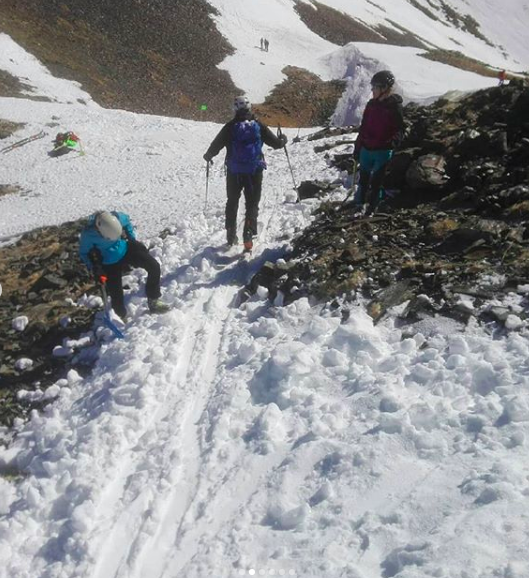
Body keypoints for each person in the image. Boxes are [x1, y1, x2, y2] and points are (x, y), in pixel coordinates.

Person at [203, 95, 287, 251]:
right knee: (252, 203)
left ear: (235, 109)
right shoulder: (258, 125)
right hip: (254, 171)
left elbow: (216, 144)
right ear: (249, 107)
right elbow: (276, 144)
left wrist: (208, 155)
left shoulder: (230, 127)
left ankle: (230, 233)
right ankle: (248, 232)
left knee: (232, 201)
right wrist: (283, 139)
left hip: (234, 171)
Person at [79, 211, 169, 320]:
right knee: (116, 293)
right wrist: (93, 267)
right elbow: (84, 253)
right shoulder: (88, 234)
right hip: (109, 262)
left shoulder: (116, 218)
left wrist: (132, 239)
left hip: (125, 249)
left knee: (154, 266)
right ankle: (120, 317)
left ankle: (153, 300)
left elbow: (127, 221)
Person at [353, 70, 404, 215]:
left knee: (377, 182)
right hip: (366, 149)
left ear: (384, 88)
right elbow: (363, 128)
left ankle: (372, 208)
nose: (372, 90)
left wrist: (392, 143)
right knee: (363, 180)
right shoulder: (371, 105)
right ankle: (359, 205)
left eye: (375, 87)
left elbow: (400, 129)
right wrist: (358, 148)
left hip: (382, 151)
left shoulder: (394, 107)